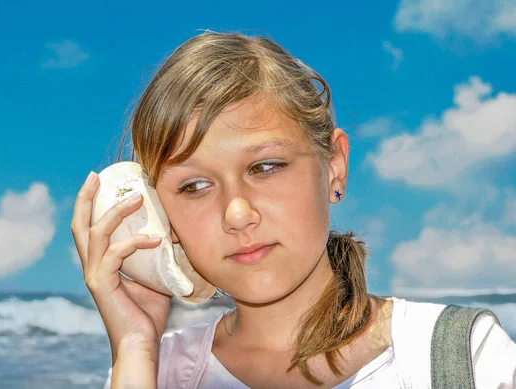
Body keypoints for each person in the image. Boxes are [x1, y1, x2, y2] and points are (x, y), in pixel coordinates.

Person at [70, 31, 516, 389]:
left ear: (334, 167)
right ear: (161, 217)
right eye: (195, 185)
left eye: (265, 167)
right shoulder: (154, 373)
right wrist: (133, 347)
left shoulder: (462, 357)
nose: (237, 213)